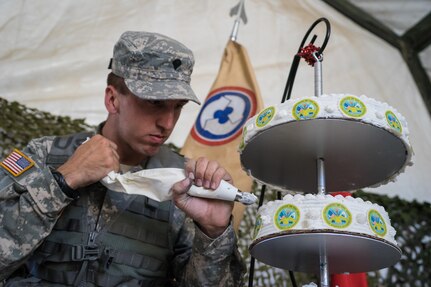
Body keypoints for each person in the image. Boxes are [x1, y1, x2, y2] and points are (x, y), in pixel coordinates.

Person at [0, 31, 245, 286]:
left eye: (178, 106)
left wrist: (214, 233)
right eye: (155, 103)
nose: (168, 122)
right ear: (113, 99)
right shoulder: (44, 155)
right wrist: (63, 181)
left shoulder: (186, 184)